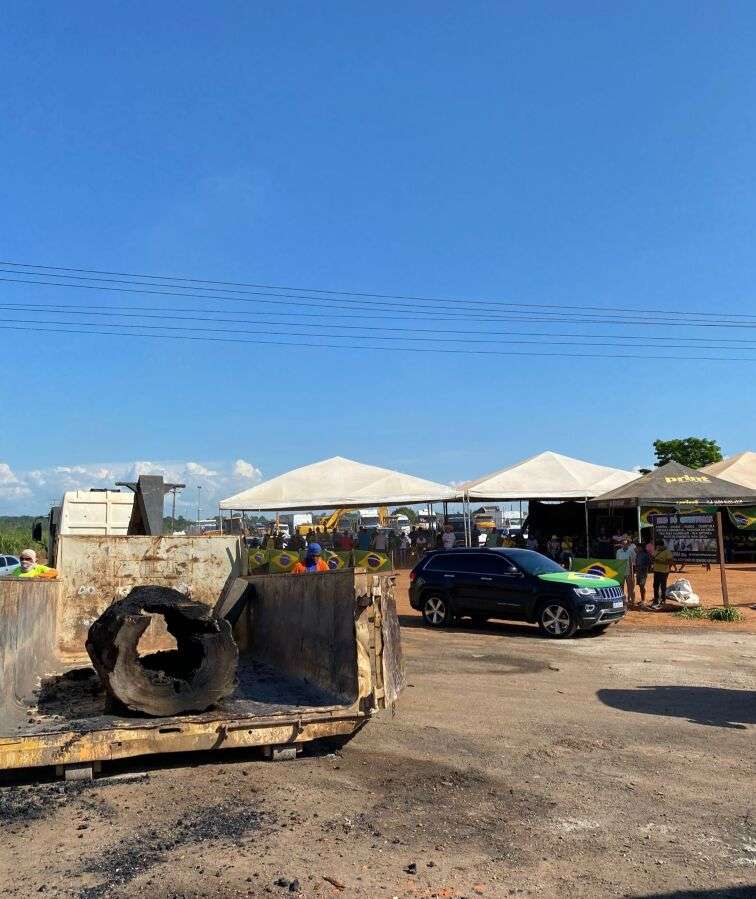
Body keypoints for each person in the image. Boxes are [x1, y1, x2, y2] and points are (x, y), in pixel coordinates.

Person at [652, 539, 674, 609]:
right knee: (655, 585)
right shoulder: (656, 551)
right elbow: (652, 558)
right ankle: (656, 599)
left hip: (664, 571)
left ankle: (663, 600)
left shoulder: (667, 552)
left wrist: (660, 562)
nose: (657, 547)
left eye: (658, 546)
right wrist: (653, 560)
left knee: (663, 586)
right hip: (656, 571)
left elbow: (670, 562)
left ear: (661, 546)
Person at [615, 535, 636, 602]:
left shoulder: (631, 551)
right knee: (621, 587)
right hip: (621, 572)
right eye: (623, 544)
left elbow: (633, 562)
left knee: (630, 587)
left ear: (628, 544)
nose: (624, 545)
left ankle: (631, 600)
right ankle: (623, 599)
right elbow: (617, 562)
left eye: (626, 544)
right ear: (621, 544)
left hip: (629, 572)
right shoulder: (618, 551)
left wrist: (632, 573)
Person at [634, 541, 652, 606]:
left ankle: (643, 600)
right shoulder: (638, 554)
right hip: (638, 571)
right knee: (640, 586)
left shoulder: (646, 554)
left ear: (641, 548)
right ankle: (642, 600)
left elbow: (649, 563)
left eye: (638, 547)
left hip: (643, 572)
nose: (637, 548)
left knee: (642, 585)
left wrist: (645, 568)